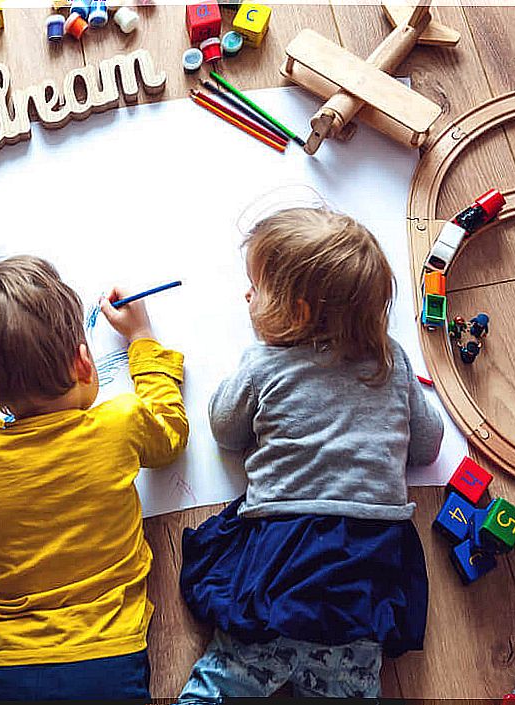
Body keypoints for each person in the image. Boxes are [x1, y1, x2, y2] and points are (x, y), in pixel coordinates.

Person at [178, 207, 444, 700]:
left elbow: (225, 431)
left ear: (296, 313)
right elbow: (429, 447)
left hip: (280, 554)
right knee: (352, 679)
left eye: (255, 288)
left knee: (234, 666)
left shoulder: (265, 363)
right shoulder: (392, 361)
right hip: (365, 566)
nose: (247, 296)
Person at [0, 255, 188, 701]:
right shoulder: (121, 422)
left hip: (8, 662)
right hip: (110, 656)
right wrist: (141, 337)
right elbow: (170, 432)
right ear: (83, 363)